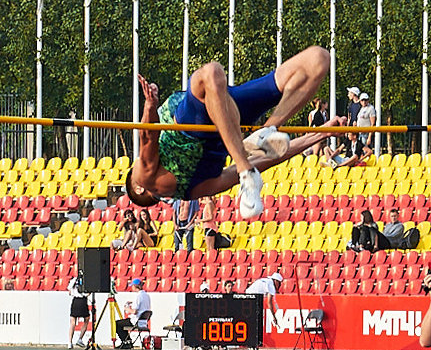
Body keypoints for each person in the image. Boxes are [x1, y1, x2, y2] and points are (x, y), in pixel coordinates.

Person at [124, 46, 337, 221]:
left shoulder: (196, 190)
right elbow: (148, 136)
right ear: (140, 189)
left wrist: (318, 134)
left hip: (225, 106)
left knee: (318, 58)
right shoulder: (145, 178)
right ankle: (248, 166)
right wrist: (150, 106)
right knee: (210, 72)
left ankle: (267, 130)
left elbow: (266, 159)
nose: (137, 162)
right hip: (193, 121)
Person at [115, 277, 152, 348]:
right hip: (143, 322)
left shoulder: (138, 296)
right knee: (122, 323)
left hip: (136, 321)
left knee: (116, 324)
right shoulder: (146, 295)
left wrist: (127, 308)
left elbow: (134, 311)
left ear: (135, 286)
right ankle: (127, 341)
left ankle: (126, 342)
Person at [67, 272, 90, 348]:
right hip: (83, 300)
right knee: (86, 319)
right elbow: (88, 293)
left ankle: (69, 342)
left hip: (75, 301)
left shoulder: (74, 280)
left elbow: (69, 291)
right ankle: (80, 339)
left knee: (72, 322)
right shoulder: (87, 281)